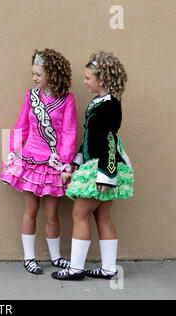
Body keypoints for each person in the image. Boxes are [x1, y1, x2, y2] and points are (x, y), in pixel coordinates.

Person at [52, 51, 134, 281]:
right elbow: (89, 139)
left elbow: (108, 139)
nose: (84, 81)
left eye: (88, 78)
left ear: (103, 80)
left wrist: (106, 175)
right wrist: (77, 162)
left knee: (80, 213)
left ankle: (76, 269)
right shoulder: (99, 102)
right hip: (94, 164)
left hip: (102, 168)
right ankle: (108, 269)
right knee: (102, 217)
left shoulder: (110, 105)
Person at [0, 49, 77, 274]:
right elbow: (21, 125)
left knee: (51, 213)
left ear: (52, 74)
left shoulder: (67, 99)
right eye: (33, 74)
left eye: (38, 74)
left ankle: (55, 256)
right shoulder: (31, 96)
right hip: (30, 160)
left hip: (53, 164)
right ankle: (29, 257)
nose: (34, 78)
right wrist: (14, 152)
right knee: (30, 210)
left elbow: (69, 132)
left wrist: (65, 163)